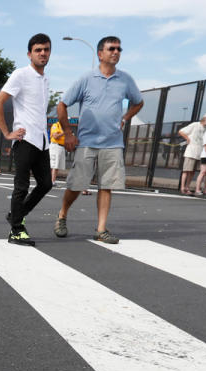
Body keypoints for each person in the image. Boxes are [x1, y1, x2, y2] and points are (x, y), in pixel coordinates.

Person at [54, 36, 143, 244]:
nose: (116, 52)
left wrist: (125, 117)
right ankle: (62, 215)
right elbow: (62, 105)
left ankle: (101, 229)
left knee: (106, 186)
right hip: (86, 141)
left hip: (112, 142)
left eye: (119, 49)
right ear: (100, 53)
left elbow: (138, 102)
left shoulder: (125, 79)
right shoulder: (86, 79)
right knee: (77, 185)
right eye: (112, 48)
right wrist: (68, 132)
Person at [0, 33, 54, 246]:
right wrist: (8, 133)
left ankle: (16, 215)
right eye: (38, 50)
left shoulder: (45, 79)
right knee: (22, 186)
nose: (42, 53)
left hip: (42, 141)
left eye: (46, 49)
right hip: (24, 140)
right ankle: (16, 231)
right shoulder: (21, 74)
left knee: (46, 184)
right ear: (30, 54)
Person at [178, 113, 206, 194]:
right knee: (186, 170)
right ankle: (182, 187)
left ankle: (187, 187)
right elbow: (181, 131)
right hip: (191, 151)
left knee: (192, 171)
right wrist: (187, 138)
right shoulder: (195, 124)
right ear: (205, 118)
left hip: (199, 153)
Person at [49, 120, 66, 186]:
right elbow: (55, 136)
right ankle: (51, 182)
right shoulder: (56, 125)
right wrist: (64, 133)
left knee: (57, 166)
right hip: (55, 146)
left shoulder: (64, 127)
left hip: (61, 146)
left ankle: (53, 181)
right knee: (54, 165)